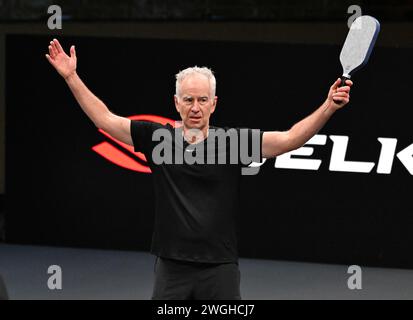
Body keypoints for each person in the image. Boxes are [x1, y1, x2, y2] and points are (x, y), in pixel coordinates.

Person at [45, 39, 352, 300]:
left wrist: (328, 106)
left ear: (214, 103)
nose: (195, 107)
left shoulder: (233, 143)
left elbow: (288, 139)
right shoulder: (156, 138)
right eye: (188, 100)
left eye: (202, 100)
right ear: (176, 103)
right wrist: (71, 76)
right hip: (171, 268)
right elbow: (105, 119)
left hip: (220, 269)